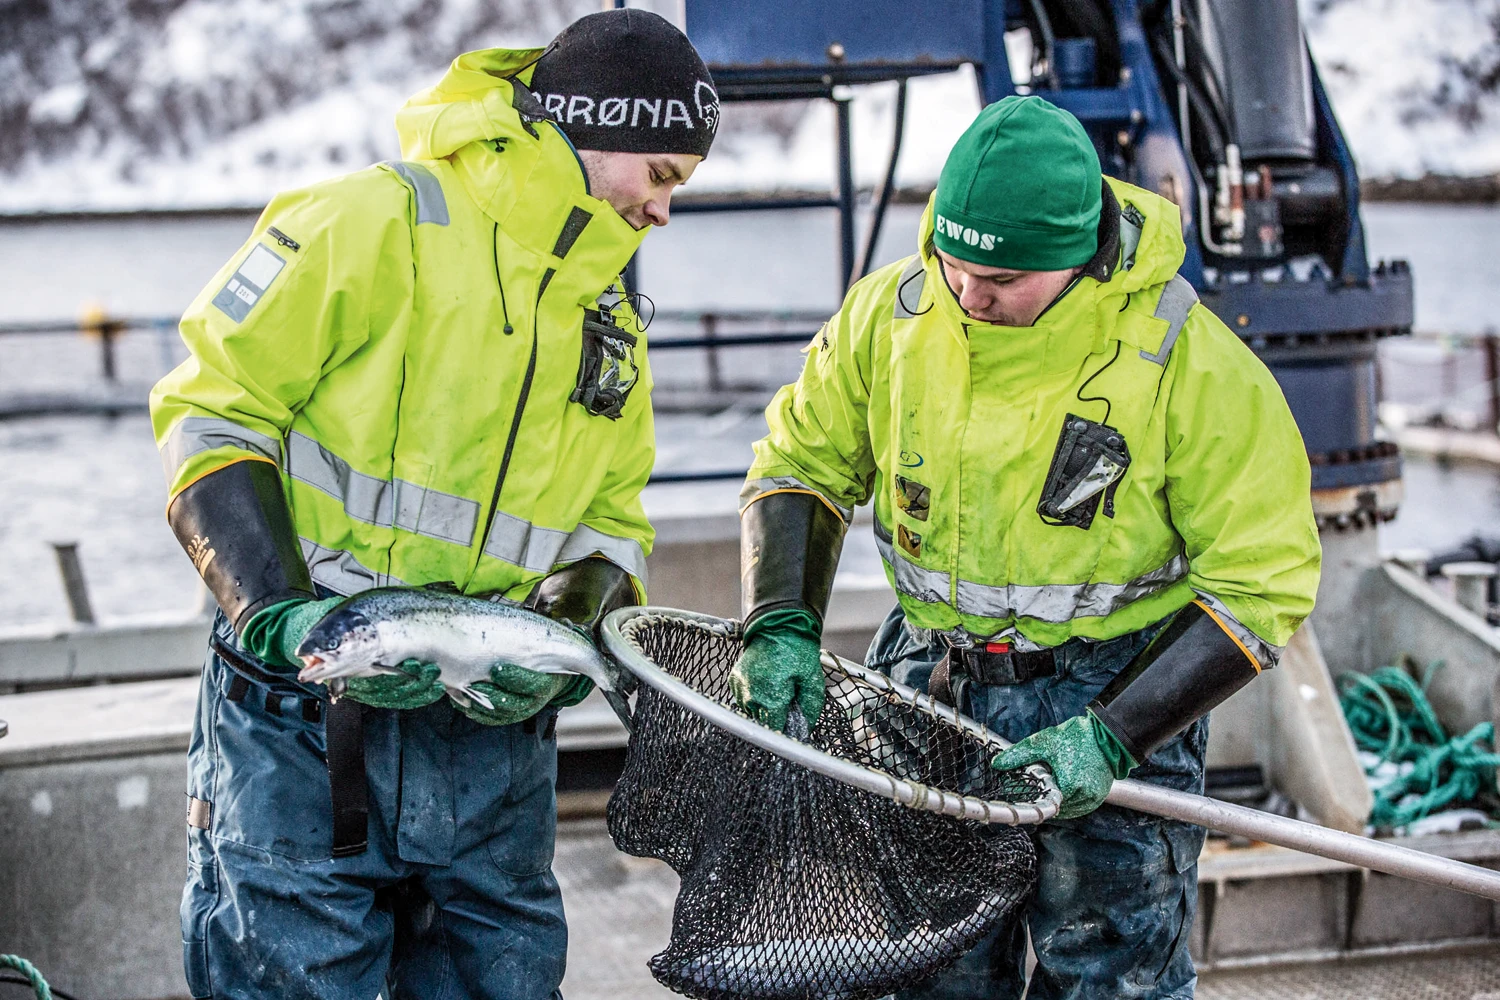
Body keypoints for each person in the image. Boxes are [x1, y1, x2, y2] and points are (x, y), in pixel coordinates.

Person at [148, 10, 717, 998]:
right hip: (305, 721)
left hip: (490, 754)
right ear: (596, 128)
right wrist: (280, 613)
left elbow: (613, 518)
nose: (667, 210)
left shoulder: (609, 312)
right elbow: (210, 412)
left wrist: (561, 643)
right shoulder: (367, 219)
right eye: (663, 175)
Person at [729, 96, 1319, 998]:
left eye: (999, 281)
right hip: (931, 687)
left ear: (1076, 258)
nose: (969, 295)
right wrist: (779, 619)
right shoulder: (890, 318)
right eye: (953, 262)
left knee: (1109, 975)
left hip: (1113, 698)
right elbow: (801, 462)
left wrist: (1112, 737)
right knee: (930, 969)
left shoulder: (1190, 363)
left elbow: (1262, 582)